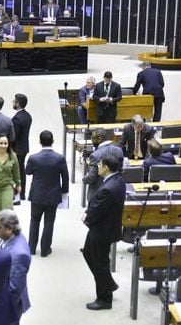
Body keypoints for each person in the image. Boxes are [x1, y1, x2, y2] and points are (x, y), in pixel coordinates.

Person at [82, 153, 126, 310]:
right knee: (88, 253)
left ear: (106, 168)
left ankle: (104, 299)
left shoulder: (108, 188)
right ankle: (109, 283)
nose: (97, 168)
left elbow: (97, 211)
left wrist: (86, 217)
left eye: (99, 165)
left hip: (102, 231)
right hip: (105, 228)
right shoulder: (118, 180)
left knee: (100, 263)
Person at [24, 130, 69, 257]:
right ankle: (45, 249)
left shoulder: (33, 158)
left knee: (34, 221)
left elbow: (28, 172)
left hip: (37, 194)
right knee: (49, 222)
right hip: (53, 195)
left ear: (39, 142)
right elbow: (65, 177)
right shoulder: (60, 158)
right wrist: (64, 192)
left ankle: (31, 248)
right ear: (53, 141)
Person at [0, 210, 31, 324]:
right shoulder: (10, 238)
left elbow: (14, 288)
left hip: (9, 305)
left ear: (9, 229)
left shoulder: (19, 254)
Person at [82, 129, 124, 201]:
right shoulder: (119, 150)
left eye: (92, 138)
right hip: (115, 191)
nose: (91, 141)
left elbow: (91, 177)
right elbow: (120, 171)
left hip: (98, 194)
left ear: (99, 139)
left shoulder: (96, 155)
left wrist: (84, 179)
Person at [11, 94, 32, 202]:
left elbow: (13, 136)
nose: (13, 102)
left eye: (14, 101)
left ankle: (18, 193)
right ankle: (22, 192)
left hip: (16, 149)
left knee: (16, 172)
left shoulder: (16, 118)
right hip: (24, 147)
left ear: (18, 103)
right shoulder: (28, 116)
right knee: (21, 170)